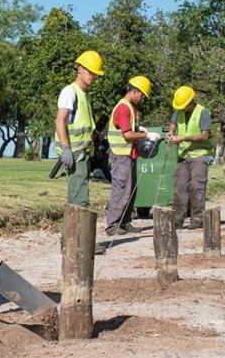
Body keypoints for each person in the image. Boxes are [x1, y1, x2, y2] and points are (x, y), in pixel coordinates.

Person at [104, 76, 160, 236]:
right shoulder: (123, 108)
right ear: (134, 91)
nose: (143, 99)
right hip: (120, 155)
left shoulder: (129, 107)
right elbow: (127, 135)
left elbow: (129, 129)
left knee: (130, 190)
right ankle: (112, 225)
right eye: (142, 95)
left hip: (128, 155)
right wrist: (146, 136)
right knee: (121, 190)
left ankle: (125, 221)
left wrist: (140, 129)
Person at [53, 51, 105, 207]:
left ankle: (76, 228)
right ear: (80, 69)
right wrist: (66, 148)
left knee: (79, 190)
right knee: (79, 197)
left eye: (95, 73)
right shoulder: (70, 92)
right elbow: (60, 120)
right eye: (90, 71)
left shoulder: (83, 95)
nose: (93, 76)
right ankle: (78, 229)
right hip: (74, 152)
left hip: (82, 151)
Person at [166, 85, 214, 229]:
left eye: (183, 106)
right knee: (179, 187)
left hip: (200, 154)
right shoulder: (179, 110)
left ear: (190, 102)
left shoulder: (203, 112)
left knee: (196, 187)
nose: (180, 108)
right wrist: (171, 132)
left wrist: (183, 138)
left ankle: (197, 219)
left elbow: (204, 136)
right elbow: (173, 123)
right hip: (184, 155)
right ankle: (177, 220)